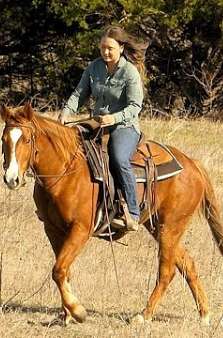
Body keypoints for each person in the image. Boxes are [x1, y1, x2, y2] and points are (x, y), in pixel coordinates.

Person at [59, 25, 148, 231]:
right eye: (102, 48)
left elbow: (135, 107)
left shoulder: (130, 73)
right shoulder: (94, 68)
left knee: (118, 158)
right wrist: (66, 112)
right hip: (97, 124)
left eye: (110, 48)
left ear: (122, 48)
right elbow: (79, 94)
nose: (106, 52)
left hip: (124, 127)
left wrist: (114, 118)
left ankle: (132, 212)